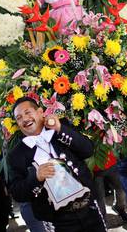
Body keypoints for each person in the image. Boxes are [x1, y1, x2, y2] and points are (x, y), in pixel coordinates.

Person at [8, 97, 106, 232]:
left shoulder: (61, 127)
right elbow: (17, 193)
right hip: (56, 221)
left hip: (89, 208)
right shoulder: (16, 154)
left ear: (41, 112)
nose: (24, 119)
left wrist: (60, 128)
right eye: (19, 118)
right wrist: (35, 178)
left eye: (28, 112)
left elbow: (88, 150)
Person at [93, 151, 127, 227]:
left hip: (111, 163)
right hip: (94, 170)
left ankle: (119, 208)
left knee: (121, 187)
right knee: (100, 197)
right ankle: (103, 220)